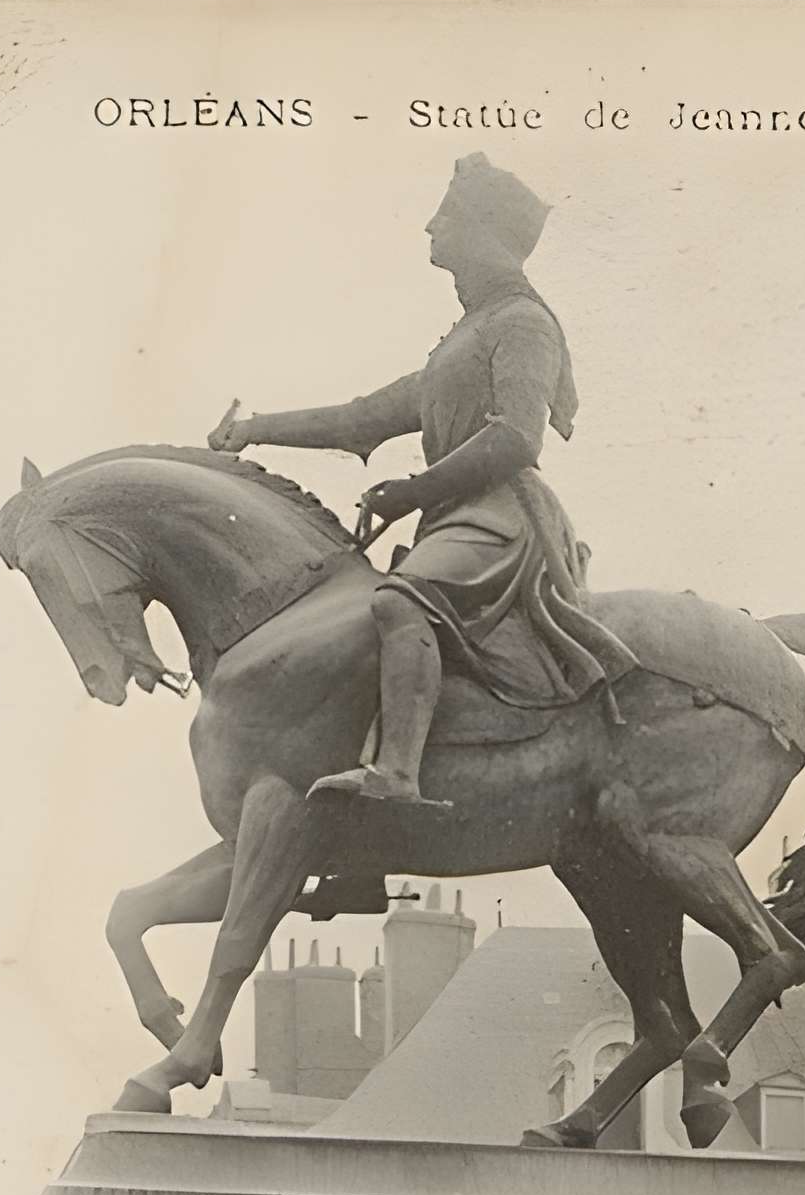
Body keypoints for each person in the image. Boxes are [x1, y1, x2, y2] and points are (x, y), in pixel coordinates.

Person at [209, 154, 637, 807]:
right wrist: (253, 430)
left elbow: (517, 439)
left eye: (447, 216)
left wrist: (415, 490)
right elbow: (358, 420)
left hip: (503, 517)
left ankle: (398, 774)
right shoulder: (462, 341)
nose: (431, 227)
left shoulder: (523, 323)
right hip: (455, 516)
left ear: (484, 232)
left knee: (397, 603)